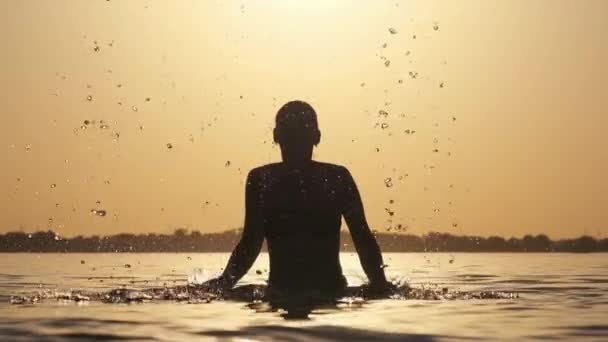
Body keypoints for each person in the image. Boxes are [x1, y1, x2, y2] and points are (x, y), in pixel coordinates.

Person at [203, 100, 391, 310]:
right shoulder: (333, 178)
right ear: (317, 137)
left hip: (285, 294)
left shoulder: (265, 179)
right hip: (329, 294)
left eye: (300, 135)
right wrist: (380, 284)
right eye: (291, 135)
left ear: (276, 136)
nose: (295, 142)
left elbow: (251, 243)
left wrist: (223, 284)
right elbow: (362, 237)